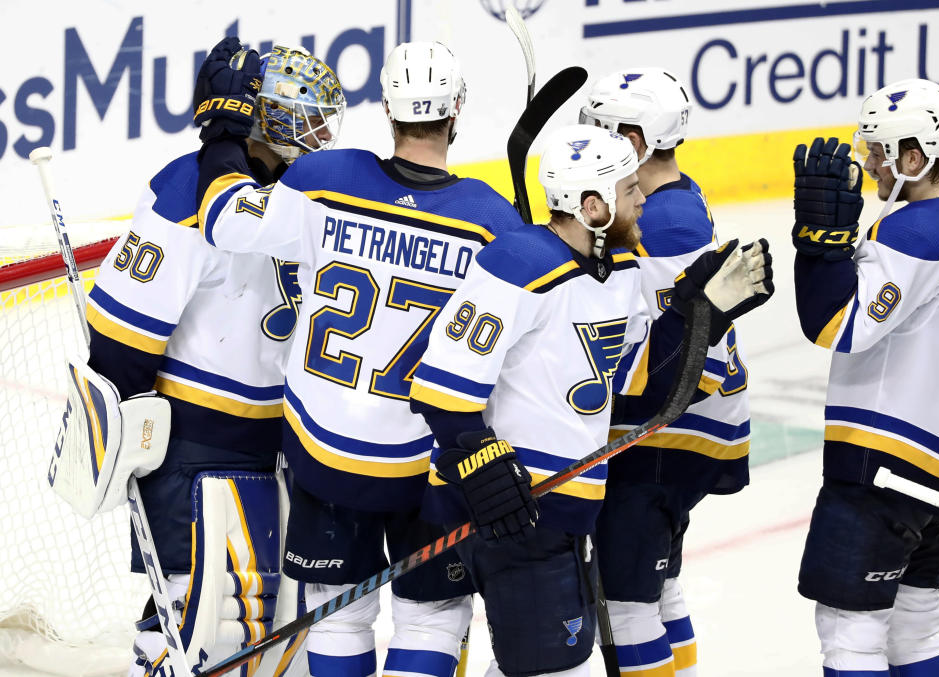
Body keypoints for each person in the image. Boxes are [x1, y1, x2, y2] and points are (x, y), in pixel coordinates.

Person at [194, 39, 525, 677]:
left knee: (337, 613)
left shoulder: (327, 178)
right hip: (424, 464)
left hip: (325, 453)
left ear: (386, 108)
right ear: (456, 110)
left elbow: (227, 220)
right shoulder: (491, 220)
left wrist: (226, 130)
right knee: (432, 615)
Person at [408, 123, 774, 677]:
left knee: (536, 665)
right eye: (630, 191)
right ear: (594, 206)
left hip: (560, 510)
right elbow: (441, 384)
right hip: (508, 512)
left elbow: (637, 393)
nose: (644, 198)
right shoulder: (517, 264)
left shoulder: (621, 271)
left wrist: (697, 318)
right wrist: (480, 465)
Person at [74, 39, 345, 675]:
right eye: (304, 116)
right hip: (195, 448)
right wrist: (132, 441)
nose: (319, 133)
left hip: (279, 446)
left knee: (263, 630)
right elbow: (120, 332)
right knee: (198, 623)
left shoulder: (301, 194)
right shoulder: (185, 186)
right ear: (264, 116)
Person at [578, 67, 752, 676]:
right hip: (696, 420)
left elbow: (660, 348)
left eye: (600, 131)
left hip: (667, 432)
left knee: (628, 605)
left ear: (633, 140)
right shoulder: (676, 195)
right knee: (659, 587)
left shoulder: (661, 222)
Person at [792, 78, 939, 675]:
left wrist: (818, 247)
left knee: (851, 632)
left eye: (879, 151)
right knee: (917, 623)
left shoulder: (917, 231)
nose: (868, 164)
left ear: (914, 158)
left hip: (884, 467)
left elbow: (836, 324)